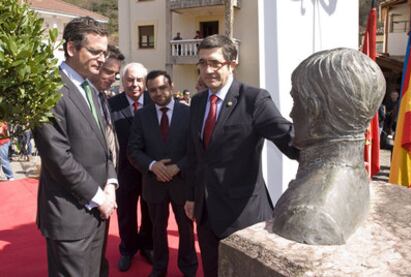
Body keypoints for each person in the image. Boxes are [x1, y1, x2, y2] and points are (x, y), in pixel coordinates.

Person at [184, 34, 299, 277]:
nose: (207, 70)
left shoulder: (254, 99)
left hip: (243, 215)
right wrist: (191, 197)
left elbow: (287, 137)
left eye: (215, 63)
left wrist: (326, 152)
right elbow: (195, 157)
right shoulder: (196, 103)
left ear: (232, 63)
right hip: (206, 214)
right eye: (203, 63)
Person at [272, 48, 386, 245]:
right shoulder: (357, 175)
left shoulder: (307, 216)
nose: (291, 113)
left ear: (314, 111)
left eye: (295, 101)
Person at [32, 16, 117, 277]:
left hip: (98, 210)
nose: (102, 59)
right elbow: (59, 158)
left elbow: (106, 145)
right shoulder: (49, 90)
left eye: (104, 52)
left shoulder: (90, 88)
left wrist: (111, 183)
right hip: (70, 214)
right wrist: (99, 196)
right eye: (95, 51)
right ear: (71, 48)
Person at [128, 70, 198, 277]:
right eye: (152, 90)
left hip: (183, 184)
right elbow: (133, 150)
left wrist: (178, 167)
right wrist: (152, 166)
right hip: (154, 183)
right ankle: (159, 268)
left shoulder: (189, 113)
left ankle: (189, 268)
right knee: (157, 230)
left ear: (172, 86)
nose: (158, 93)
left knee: (186, 230)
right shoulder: (142, 116)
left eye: (162, 88)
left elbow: (196, 150)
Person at [108, 63, 154, 272]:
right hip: (123, 172)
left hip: (150, 172)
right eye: (129, 80)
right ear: (122, 80)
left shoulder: (155, 103)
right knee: (126, 215)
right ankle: (127, 249)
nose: (134, 84)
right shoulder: (111, 105)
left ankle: (147, 246)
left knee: (150, 213)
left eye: (138, 80)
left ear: (145, 81)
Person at [90, 44, 125, 169]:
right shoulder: (83, 98)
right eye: (108, 72)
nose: (113, 78)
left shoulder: (104, 98)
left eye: (115, 74)